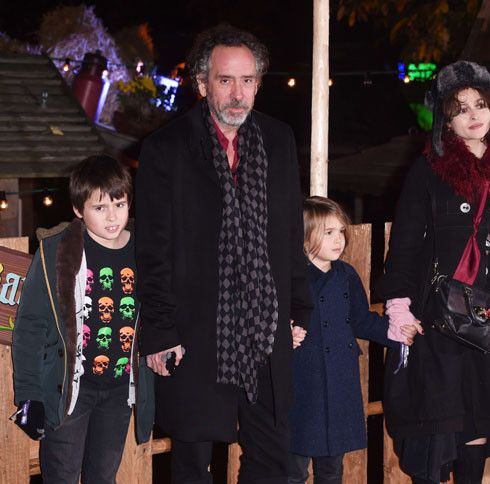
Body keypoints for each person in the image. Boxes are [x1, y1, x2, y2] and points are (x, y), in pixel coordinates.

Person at [135, 24, 312, 483]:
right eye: (225, 80)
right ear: (201, 83)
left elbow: (290, 233)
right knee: (193, 462)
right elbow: (153, 250)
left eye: (248, 80)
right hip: (195, 331)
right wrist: (159, 329)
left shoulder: (278, 141)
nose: (238, 93)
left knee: (270, 459)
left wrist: (298, 311)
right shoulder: (165, 150)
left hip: (264, 327)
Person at [377, 61, 490, 483]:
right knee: (437, 429)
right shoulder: (428, 170)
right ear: (446, 121)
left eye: (480, 104)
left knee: (478, 428)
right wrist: (399, 306)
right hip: (438, 321)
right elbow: (406, 245)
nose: (474, 115)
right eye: (460, 109)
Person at [12, 155, 152, 483]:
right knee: (60, 475)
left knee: (102, 477)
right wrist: (28, 394)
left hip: (120, 390)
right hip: (70, 389)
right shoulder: (57, 252)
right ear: (78, 209)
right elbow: (30, 325)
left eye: (119, 204)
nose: (112, 216)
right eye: (99, 208)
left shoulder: (146, 249)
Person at [288, 196, 412, 484]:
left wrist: (396, 334)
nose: (338, 240)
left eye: (341, 231)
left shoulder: (346, 275)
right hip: (303, 381)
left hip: (340, 379)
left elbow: (362, 320)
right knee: (293, 469)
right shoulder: (293, 278)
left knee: (332, 468)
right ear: (305, 236)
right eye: (328, 233)